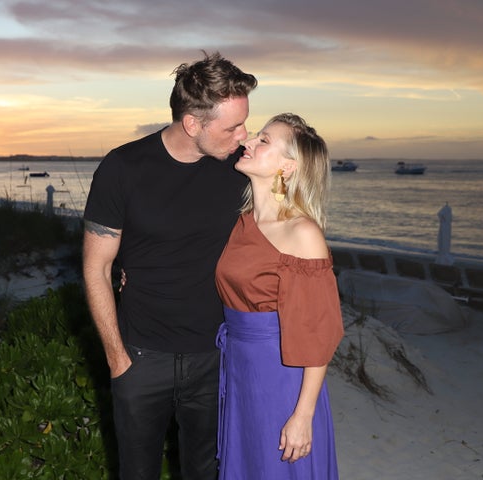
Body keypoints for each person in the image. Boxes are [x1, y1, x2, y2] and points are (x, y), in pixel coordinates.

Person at [82, 52, 257, 480]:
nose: (244, 135)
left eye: (245, 122)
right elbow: (95, 268)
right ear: (193, 123)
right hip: (141, 355)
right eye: (232, 126)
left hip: (215, 354)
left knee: (205, 472)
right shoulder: (123, 167)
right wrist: (116, 358)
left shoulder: (242, 169)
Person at [215, 113, 344, 479]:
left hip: (282, 376)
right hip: (240, 370)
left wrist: (303, 415)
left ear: (287, 167)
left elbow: (319, 333)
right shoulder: (241, 222)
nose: (249, 142)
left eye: (264, 140)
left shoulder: (302, 233)